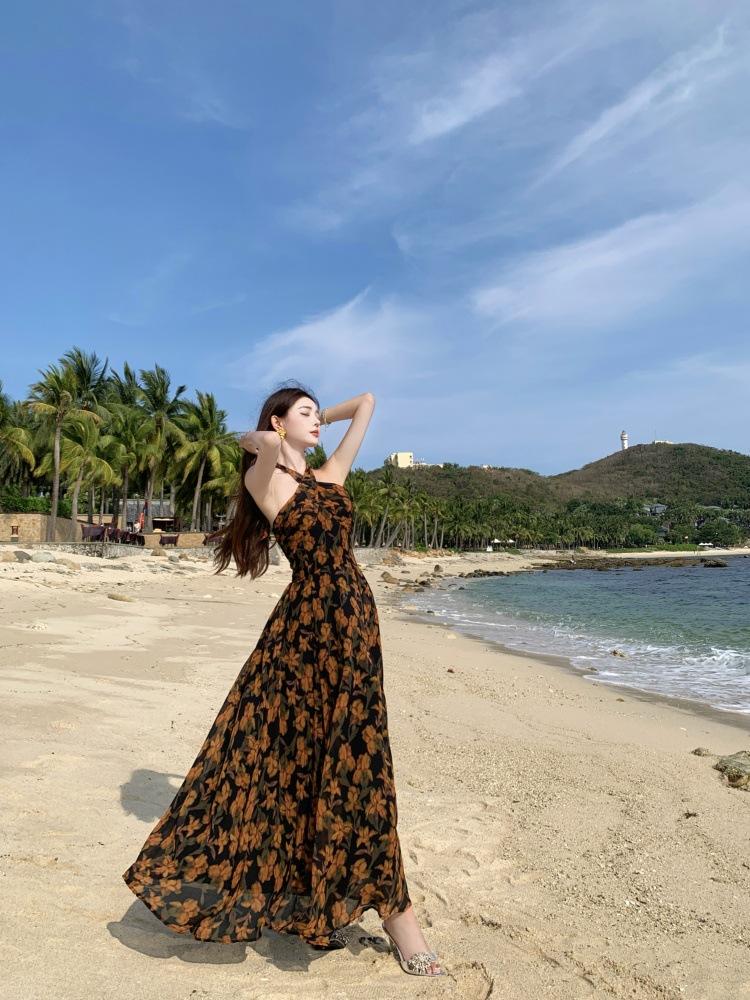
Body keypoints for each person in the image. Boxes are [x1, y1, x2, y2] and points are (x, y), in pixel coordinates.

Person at [121, 383, 444, 977]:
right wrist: (270, 433)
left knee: (361, 762)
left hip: (355, 626)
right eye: (306, 413)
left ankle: (381, 910)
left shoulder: (331, 475)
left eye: (318, 414)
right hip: (303, 634)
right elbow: (256, 444)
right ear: (277, 421)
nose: (318, 421)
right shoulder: (264, 479)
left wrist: (317, 417)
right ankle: (381, 913)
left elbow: (367, 402)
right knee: (292, 761)